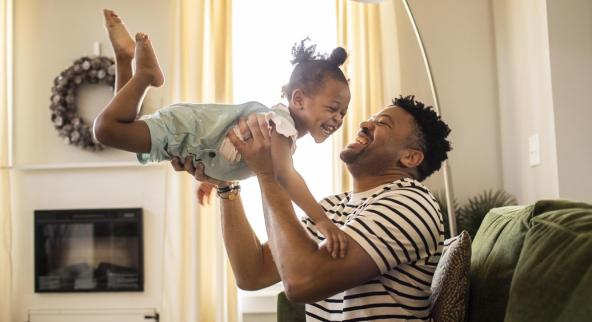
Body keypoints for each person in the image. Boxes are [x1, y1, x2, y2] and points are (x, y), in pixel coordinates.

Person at [94, 10, 352, 257]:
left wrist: (213, 178)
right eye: (333, 108)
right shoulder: (280, 128)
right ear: (299, 99)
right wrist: (323, 222)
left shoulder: (277, 126)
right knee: (107, 129)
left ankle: (124, 58)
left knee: (123, 124)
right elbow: (286, 176)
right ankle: (146, 75)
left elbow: (227, 145)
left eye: (343, 112)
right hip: (186, 131)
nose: (338, 119)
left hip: (187, 137)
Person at [175, 95, 452, 321]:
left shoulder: (411, 203)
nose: (365, 123)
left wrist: (269, 172)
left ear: (410, 156)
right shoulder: (333, 207)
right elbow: (252, 274)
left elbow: (301, 281)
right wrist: (227, 186)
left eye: (383, 123)